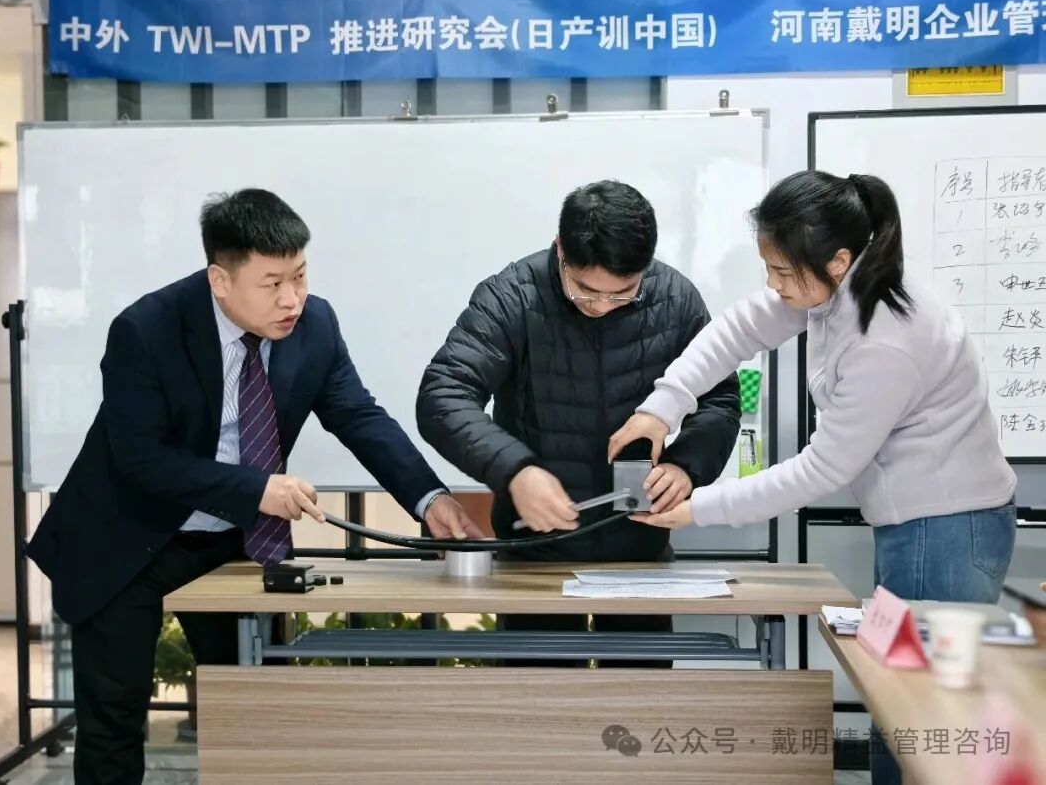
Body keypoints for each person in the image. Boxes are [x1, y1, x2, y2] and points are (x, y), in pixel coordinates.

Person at [27, 189, 482, 785]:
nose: (292, 298)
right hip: (127, 536)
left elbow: (358, 415)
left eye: (300, 276)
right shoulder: (146, 330)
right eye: (272, 284)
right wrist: (256, 489)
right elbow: (140, 459)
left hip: (232, 541)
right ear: (221, 280)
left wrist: (429, 498)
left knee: (254, 707)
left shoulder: (315, 324)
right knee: (114, 720)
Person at [609, 170, 1017, 785]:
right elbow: (740, 329)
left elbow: (822, 467)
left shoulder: (884, 340)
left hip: (946, 533)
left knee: (919, 709)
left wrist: (698, 509)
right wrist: (661, 407)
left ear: (838, 260)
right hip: (921, 528)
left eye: (782, 272)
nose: (772, 286)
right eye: (768, 268)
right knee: (898, 696)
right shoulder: (841, 287)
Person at [417, 179, 741, 663]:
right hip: (535, 555)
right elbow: (443, 394)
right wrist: (515, 471)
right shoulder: (512, 296)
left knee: (640, 698)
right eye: (586, 292)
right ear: (560, 250)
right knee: (540, 699)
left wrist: (685, 467)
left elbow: (719, 399)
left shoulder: (676, 299)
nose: (602, 307)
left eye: (623, 294)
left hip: (640, 555)